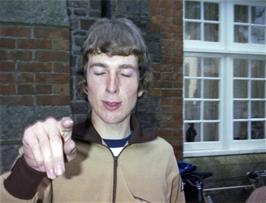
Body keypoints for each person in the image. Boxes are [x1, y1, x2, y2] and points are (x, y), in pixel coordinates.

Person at [0, 17, 185, 203]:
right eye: (99, 72)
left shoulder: (163, 154)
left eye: (125, 73)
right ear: (85, 83)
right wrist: (28, 170)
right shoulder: (54, 151)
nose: (112, 86)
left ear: (140, 86)